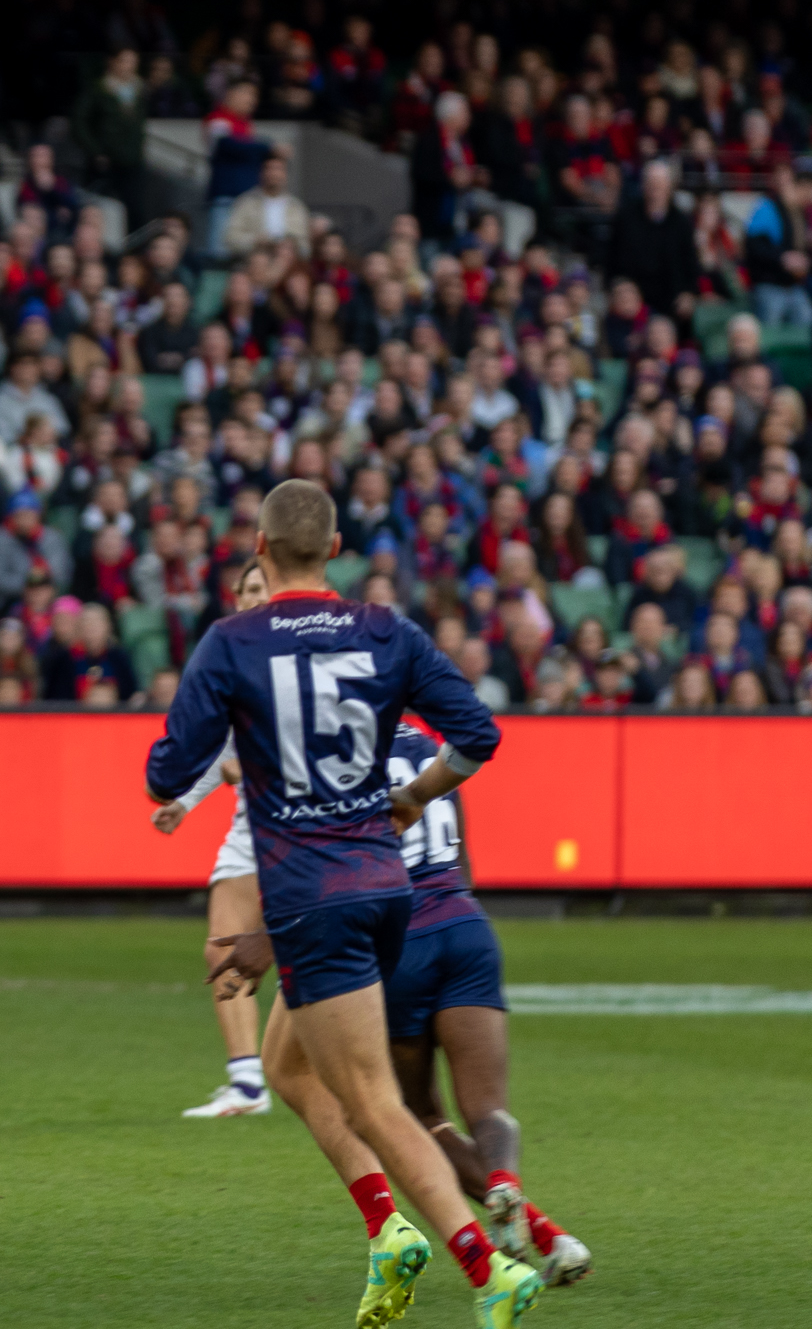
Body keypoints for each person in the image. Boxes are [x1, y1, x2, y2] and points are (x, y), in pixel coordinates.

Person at [145, 478, 539, 1329]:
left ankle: (487, 1269)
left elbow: (166, 773)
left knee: (372, 1101)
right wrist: (412, 796)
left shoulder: (230, 641)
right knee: (291, 1067)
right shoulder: (385, 630)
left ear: (257, 548)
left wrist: (210, 728)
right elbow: (479, 734)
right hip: (386, 885)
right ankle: (387, 1230)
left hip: (311, 894)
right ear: (334, 550)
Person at [383, 718, 592, 1286]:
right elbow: (462, 858)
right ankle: (511, 1190)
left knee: (418, 1115)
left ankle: (528, 1229)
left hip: (400, 939)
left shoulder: (345, 753)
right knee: (488, 1108)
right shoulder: (431, 751)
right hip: (464, 924)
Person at [151, 556, 275, 1117]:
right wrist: (184, 803)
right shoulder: (233, 659)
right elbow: (220, 749)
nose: (253, 597)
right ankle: (247, 1080)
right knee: (222, 946)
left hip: (306, 825)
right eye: (246, 589)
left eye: (262, 587)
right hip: (253, 826)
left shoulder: (296, 656)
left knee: (316, 957)